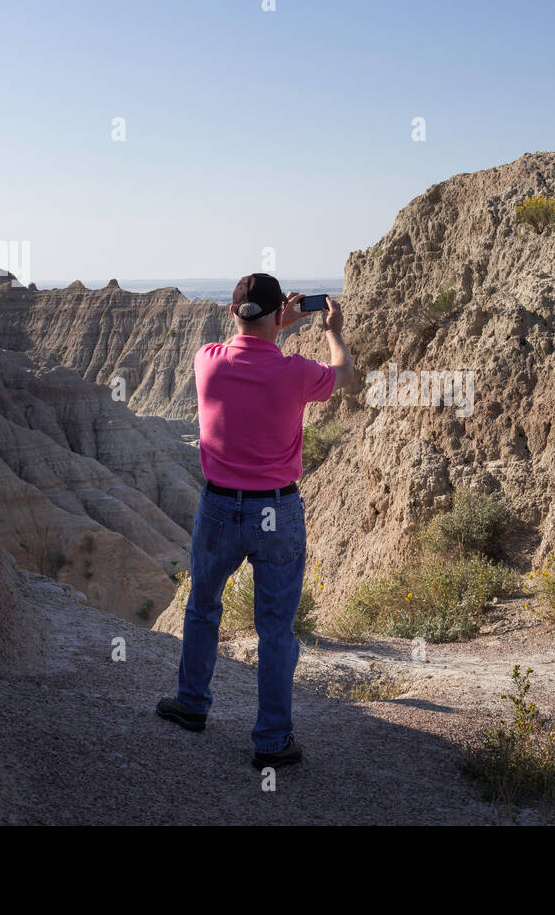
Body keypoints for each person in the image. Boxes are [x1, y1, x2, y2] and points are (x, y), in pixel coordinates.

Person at [157, 273, 353, 769]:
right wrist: (332, 330)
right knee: (275, 630)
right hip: (276, 509)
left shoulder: (208, 361)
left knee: (203, 607)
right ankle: (271, 740)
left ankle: (192, 705)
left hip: (220, 506)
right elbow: (344, 375)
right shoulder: (296, 373)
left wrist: (272, 326)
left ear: (232, 315)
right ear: (274, 315)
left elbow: (242, 346)